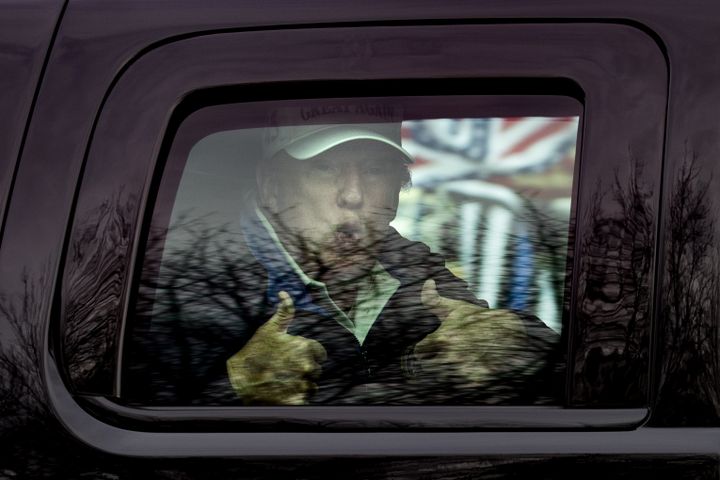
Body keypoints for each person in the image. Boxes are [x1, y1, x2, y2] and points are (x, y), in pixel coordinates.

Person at [221, 103, 556, 405]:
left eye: (374, 170)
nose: (353, 195)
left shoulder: (408, 268)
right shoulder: (212, 279)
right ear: (272, 187)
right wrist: (235, 392)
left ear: (398, 189)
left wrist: (514, 342)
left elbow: (569, 366)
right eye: (324, 168)